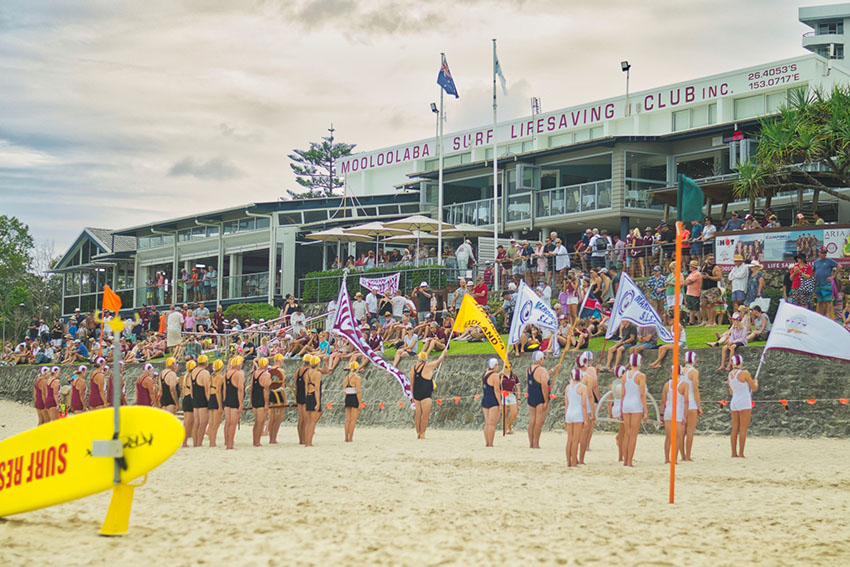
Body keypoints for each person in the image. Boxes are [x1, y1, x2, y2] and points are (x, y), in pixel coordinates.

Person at [527, 350, 562, 449]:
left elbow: (544, 376)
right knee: (539, 422)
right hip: (540, 397)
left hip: (531, 396)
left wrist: (554, 369)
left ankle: (531, 443)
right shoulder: (541, 370)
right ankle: (536, 443)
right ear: (541, 359)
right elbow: (544, 385)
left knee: (532, 420)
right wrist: (546, 400)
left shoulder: (530, 369)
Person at [411, 349, 447, 439]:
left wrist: (412, 395)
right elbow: (439, 361)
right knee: (425, 415)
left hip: (416, 392)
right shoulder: (427, 366)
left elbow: (411, 383)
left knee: (418, 414)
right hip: (425, 393)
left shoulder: (413, 368)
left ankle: (418, 432)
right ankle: (422, 433)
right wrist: (443, 353)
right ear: (426, 359)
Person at [620, 353, 648, 467]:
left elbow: (622, 393)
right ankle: (629, 460)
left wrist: (621, 408)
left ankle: (625, 460)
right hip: (636, 404)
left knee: (627, 434)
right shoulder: (641, 376)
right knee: (633, 435)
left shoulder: (624, 375)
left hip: (626, 403)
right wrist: (645, 410)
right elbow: (642, 394)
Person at [728, 354, 758, 458]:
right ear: (741, 362)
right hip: (744, 402)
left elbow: (731, 391)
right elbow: (754, 388)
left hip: (734, 401)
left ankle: (733, 453)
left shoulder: (730, 374)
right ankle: (741, 453)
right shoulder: (744, 373)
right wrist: (756, 382)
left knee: (734, 428)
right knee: (743, 429)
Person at [661, 365, 689, 464]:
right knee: (677, 437)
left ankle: (666, 458)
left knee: (668, 436)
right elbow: (686, 401)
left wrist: (661, 414)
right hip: (678, 411)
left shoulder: (667, 384)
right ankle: (674, 459)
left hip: (668, 410)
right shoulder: (684, 384)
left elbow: (663, 401)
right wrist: (685, 416)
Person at [563, 367, 589, 467]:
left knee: (569, 439)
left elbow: (566, 403)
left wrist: (565, 416)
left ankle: (568, 462)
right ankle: (574, 461)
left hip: (569, 413)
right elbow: (584, 405)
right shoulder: (583, 388)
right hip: (578, 414)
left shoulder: (568, 387)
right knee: (575, 440)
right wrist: (585, 419)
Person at [680, 351, 702, 461]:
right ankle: (688, 456)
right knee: (690, 431)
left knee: (681, 431)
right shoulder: (693, 372)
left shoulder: (680, 370)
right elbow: (695, 389)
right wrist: (699, 406)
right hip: (691, 402)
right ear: (694, 360)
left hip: (681, 403)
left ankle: (682, 455)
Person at [304, 355, 329, 447]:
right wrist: (318, 403)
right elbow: (317, 389)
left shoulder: (307, 372)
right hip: (314, 396)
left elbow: (306, 387)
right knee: (312, 422)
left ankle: (306, 441)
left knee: (308, 421)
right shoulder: (317, 374)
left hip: (308, 396)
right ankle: (309, 442)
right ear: (318, 363)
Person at [481, 358, 504, 447]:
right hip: (493, 400)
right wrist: (500, 403)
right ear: (495, 365)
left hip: (485, 398)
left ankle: (487, 443)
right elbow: (497, 391)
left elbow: (484, 385)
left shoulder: (485, 373)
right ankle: (491, 443)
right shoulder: (494, 375)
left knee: (487, 423)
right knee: (492, 424)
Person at [223, 356, 245, 450]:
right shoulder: (238, 374)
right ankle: (230, 444)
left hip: (227, 399)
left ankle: (227, 442)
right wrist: (241, 403)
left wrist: (224, 401)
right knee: (233, 423)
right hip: (235, 400)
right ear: (239, 365)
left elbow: (224, 389)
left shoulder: (226, 373)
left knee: (227, 422)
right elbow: (240, 389)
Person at [813, 246, 840, 320]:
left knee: (828, 301)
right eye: (823, 252)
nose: (824, 254)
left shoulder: (829, 260)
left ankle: (828, 314)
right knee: (820, 301)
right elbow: (813, 271)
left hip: (826, 284)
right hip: (818, 284)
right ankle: (821, 315)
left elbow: (839, 266)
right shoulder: (816, 262)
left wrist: (833, 276)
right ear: (819, 253)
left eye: (825, 252)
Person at [250, 357, 271, 447]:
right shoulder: (265, 375)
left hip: (255, 397)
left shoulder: (255, 373)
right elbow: (265, 390)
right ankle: (257, 441)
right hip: (261, 399)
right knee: (260, 422)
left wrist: (251, 400)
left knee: (256, 422)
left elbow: (251, 388)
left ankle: (255, 440)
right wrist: (266, 403)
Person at [267, 353, 288, 445]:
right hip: (279, 393)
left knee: (272, 417)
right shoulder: (281, 371)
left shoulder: (269, 370)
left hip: (271, 393)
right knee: (278, 418)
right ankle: (274, 438)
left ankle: (271, 438)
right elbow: (282, 386)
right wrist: (285, 399)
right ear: (280, 361)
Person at [190, 354, 211, 447]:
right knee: (203, 423)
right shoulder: (205, 373)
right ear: (206, 362)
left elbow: (191, 388)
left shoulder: (193, 372)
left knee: (196, 422)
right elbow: (207, 388)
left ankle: (195, 443)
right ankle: (199, 442)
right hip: (202, 398)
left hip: (195, 397)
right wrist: (209, 400)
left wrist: (193, 398)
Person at [608, 366, 626, 462]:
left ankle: (622, 455)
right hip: (622, 408)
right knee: (624, 433)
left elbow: (609, 401)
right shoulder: (625, 384)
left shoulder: (612, 385)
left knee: (623, 432)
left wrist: (610, 414)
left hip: (615, 408)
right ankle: (621, 456)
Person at [206, 359, 225, 447]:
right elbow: (218, 391)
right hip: (216, 398)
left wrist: (209, 399)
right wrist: (220, 405)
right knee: (216, 423)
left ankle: (211, 441)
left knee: (211, 422)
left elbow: (208, 390)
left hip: (211, 398)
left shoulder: (211, 376)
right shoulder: (220, 377)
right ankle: (212, 442)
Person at [343, 360, 363, 442]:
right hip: (354, 397)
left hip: (348, 396)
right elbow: (358, 391)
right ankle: (350, 438)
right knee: (353, 420)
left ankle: (346, 438)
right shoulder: (357, 378)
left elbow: (344, 390)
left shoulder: (346, 378)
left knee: (347, 419)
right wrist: (360, 403)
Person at [501, 367, 521, 435]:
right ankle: (505, 428)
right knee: (505, 413)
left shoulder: (514, 376)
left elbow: (518, 388)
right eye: (506, 367)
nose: (507, 368)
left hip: (512, 395)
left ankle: (509, 425)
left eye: (509, 367)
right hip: (503, 395)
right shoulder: (501, 376)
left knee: (514, 413)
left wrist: (518, 398)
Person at [180, 360, 196, 448]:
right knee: (189, 423)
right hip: (189, 398)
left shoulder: (185, 376)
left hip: (185, 398)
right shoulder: (190, 377)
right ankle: (184, 442)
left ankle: (185, 441)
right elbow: (192, 390)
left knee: (187, 422)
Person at [684, 260, 703, 325]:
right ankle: (691, 321)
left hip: (695, 293)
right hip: (689, 292)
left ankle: (700, 321)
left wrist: (686, 282)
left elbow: (688, 281)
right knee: (690, 308)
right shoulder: (691, 273)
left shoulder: (697, 273)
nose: (689, 267)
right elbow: (687, 281)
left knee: (696, 308)